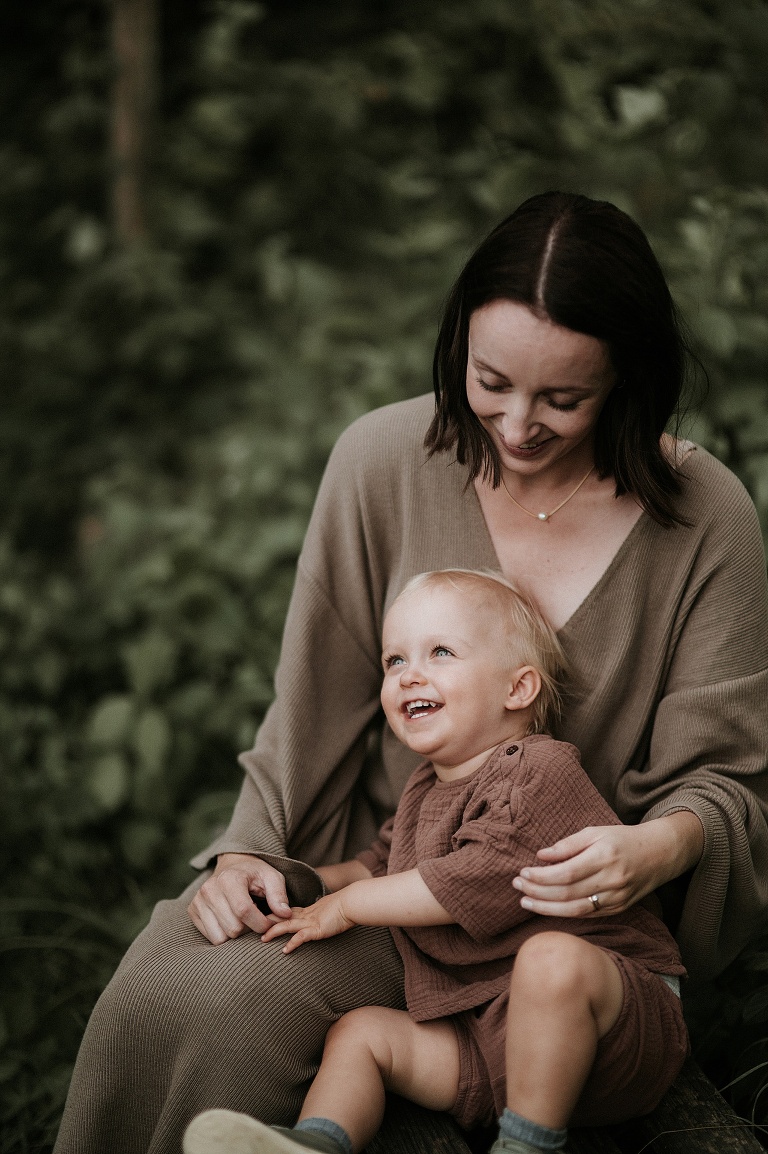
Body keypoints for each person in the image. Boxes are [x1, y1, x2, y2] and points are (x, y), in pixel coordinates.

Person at [53, 192, 768, 1154]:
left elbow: (726, 781)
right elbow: (308, 708)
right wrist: (250, 853)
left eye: (565, 399)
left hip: (579, 947)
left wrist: (656, 849)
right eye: (490, 381)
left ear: (628, 378)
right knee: (171, 993)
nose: (518, 425)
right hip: (405, 907)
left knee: (266, 1001)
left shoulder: (704, 514)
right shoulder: (382, 459)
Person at [182, 569, 689, 1154]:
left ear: (518, 689)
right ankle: (316, 1143)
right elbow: (383, 865)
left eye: (440, 652)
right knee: (362, 1035)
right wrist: (305, 886)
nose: (409, 675)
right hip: (492, 1035)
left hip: (616, 1021)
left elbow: (466, 881)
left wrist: (347, 907)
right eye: (394, 660)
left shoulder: (538, 771)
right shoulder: (427, 785)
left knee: (550, 961)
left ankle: (525, 1148)